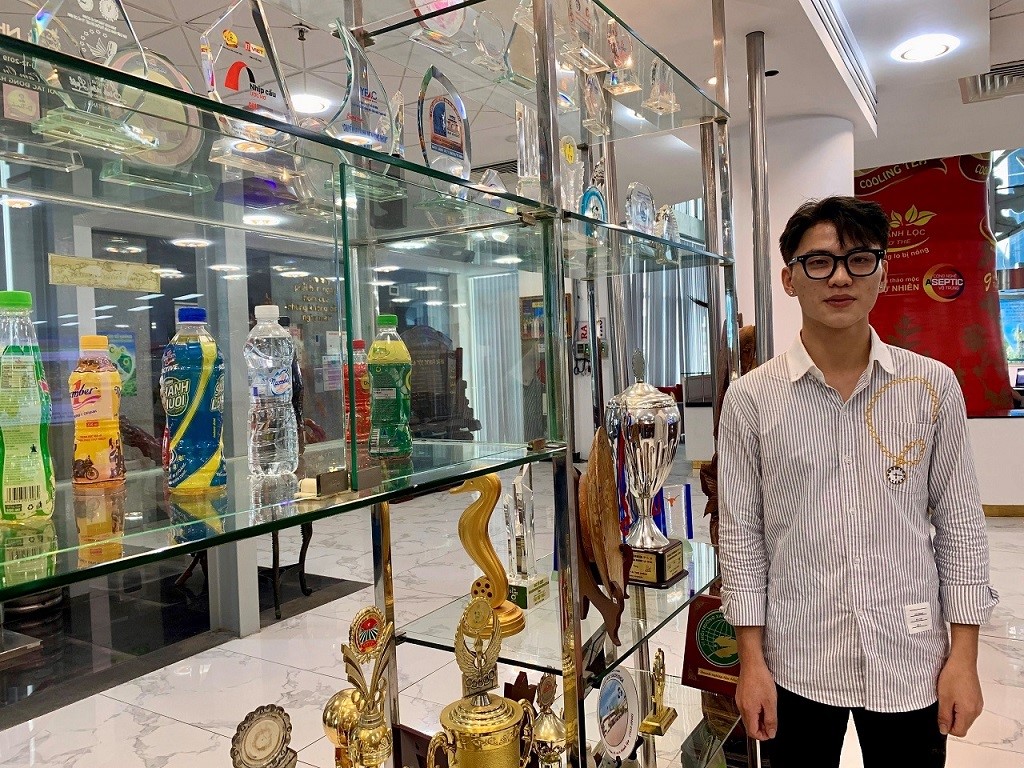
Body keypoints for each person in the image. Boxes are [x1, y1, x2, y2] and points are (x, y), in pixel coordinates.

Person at [718, 196, 998, 767]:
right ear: (789, 279)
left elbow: (961, 526)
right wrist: (751, 662)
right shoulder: (751, 400)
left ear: (883, 273)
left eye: (859, 259)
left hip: (910, 655)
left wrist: (964, 657)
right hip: (796, 657)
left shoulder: (932, 386)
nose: (841, 277)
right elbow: (742, 536)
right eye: (819, 261)